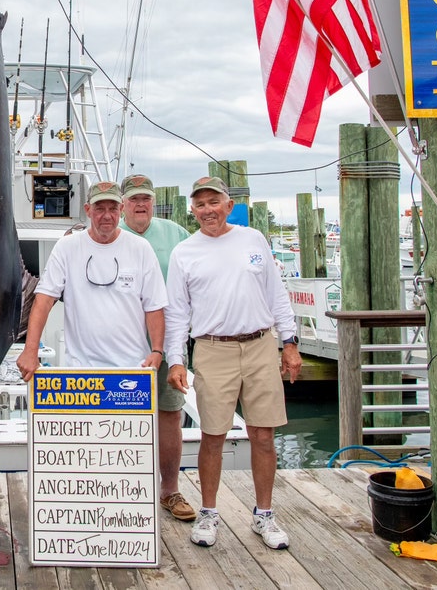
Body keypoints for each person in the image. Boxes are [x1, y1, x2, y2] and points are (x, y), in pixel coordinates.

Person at [165, 176, 302, 551]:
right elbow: (177, 313)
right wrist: (176, 360)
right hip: (212, 348)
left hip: (261, 344)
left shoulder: (253, 239)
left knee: (263, 434)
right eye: (200, 204)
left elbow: (277, 295)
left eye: (214, 202)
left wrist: (289, 343)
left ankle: (264, 514)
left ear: (229, 204)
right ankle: (209, 512)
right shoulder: (184, 253)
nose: (208, 210)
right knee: (213, 435)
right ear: (192, 209)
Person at [17, 181, 167, 381]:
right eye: (99, 208)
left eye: (113, 208)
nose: (107, 215)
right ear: (88, 210)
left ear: (121, 209)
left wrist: (157, 351)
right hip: (81, 373)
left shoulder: (141, 248)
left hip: (133, 369)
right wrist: (30, 350)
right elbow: (44, 300)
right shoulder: (66, 247)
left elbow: (154, 306)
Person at [117, 174, 196, 522]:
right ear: (122, 205)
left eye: (145, 198)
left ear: (153, 201)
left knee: (169, 416)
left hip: (169, 346)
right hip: (119, 347)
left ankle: (169, 491)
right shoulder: (105, 233)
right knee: (118, 419)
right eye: (133, 199)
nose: (140, 205)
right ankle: (120, 490)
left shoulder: (176, 234)